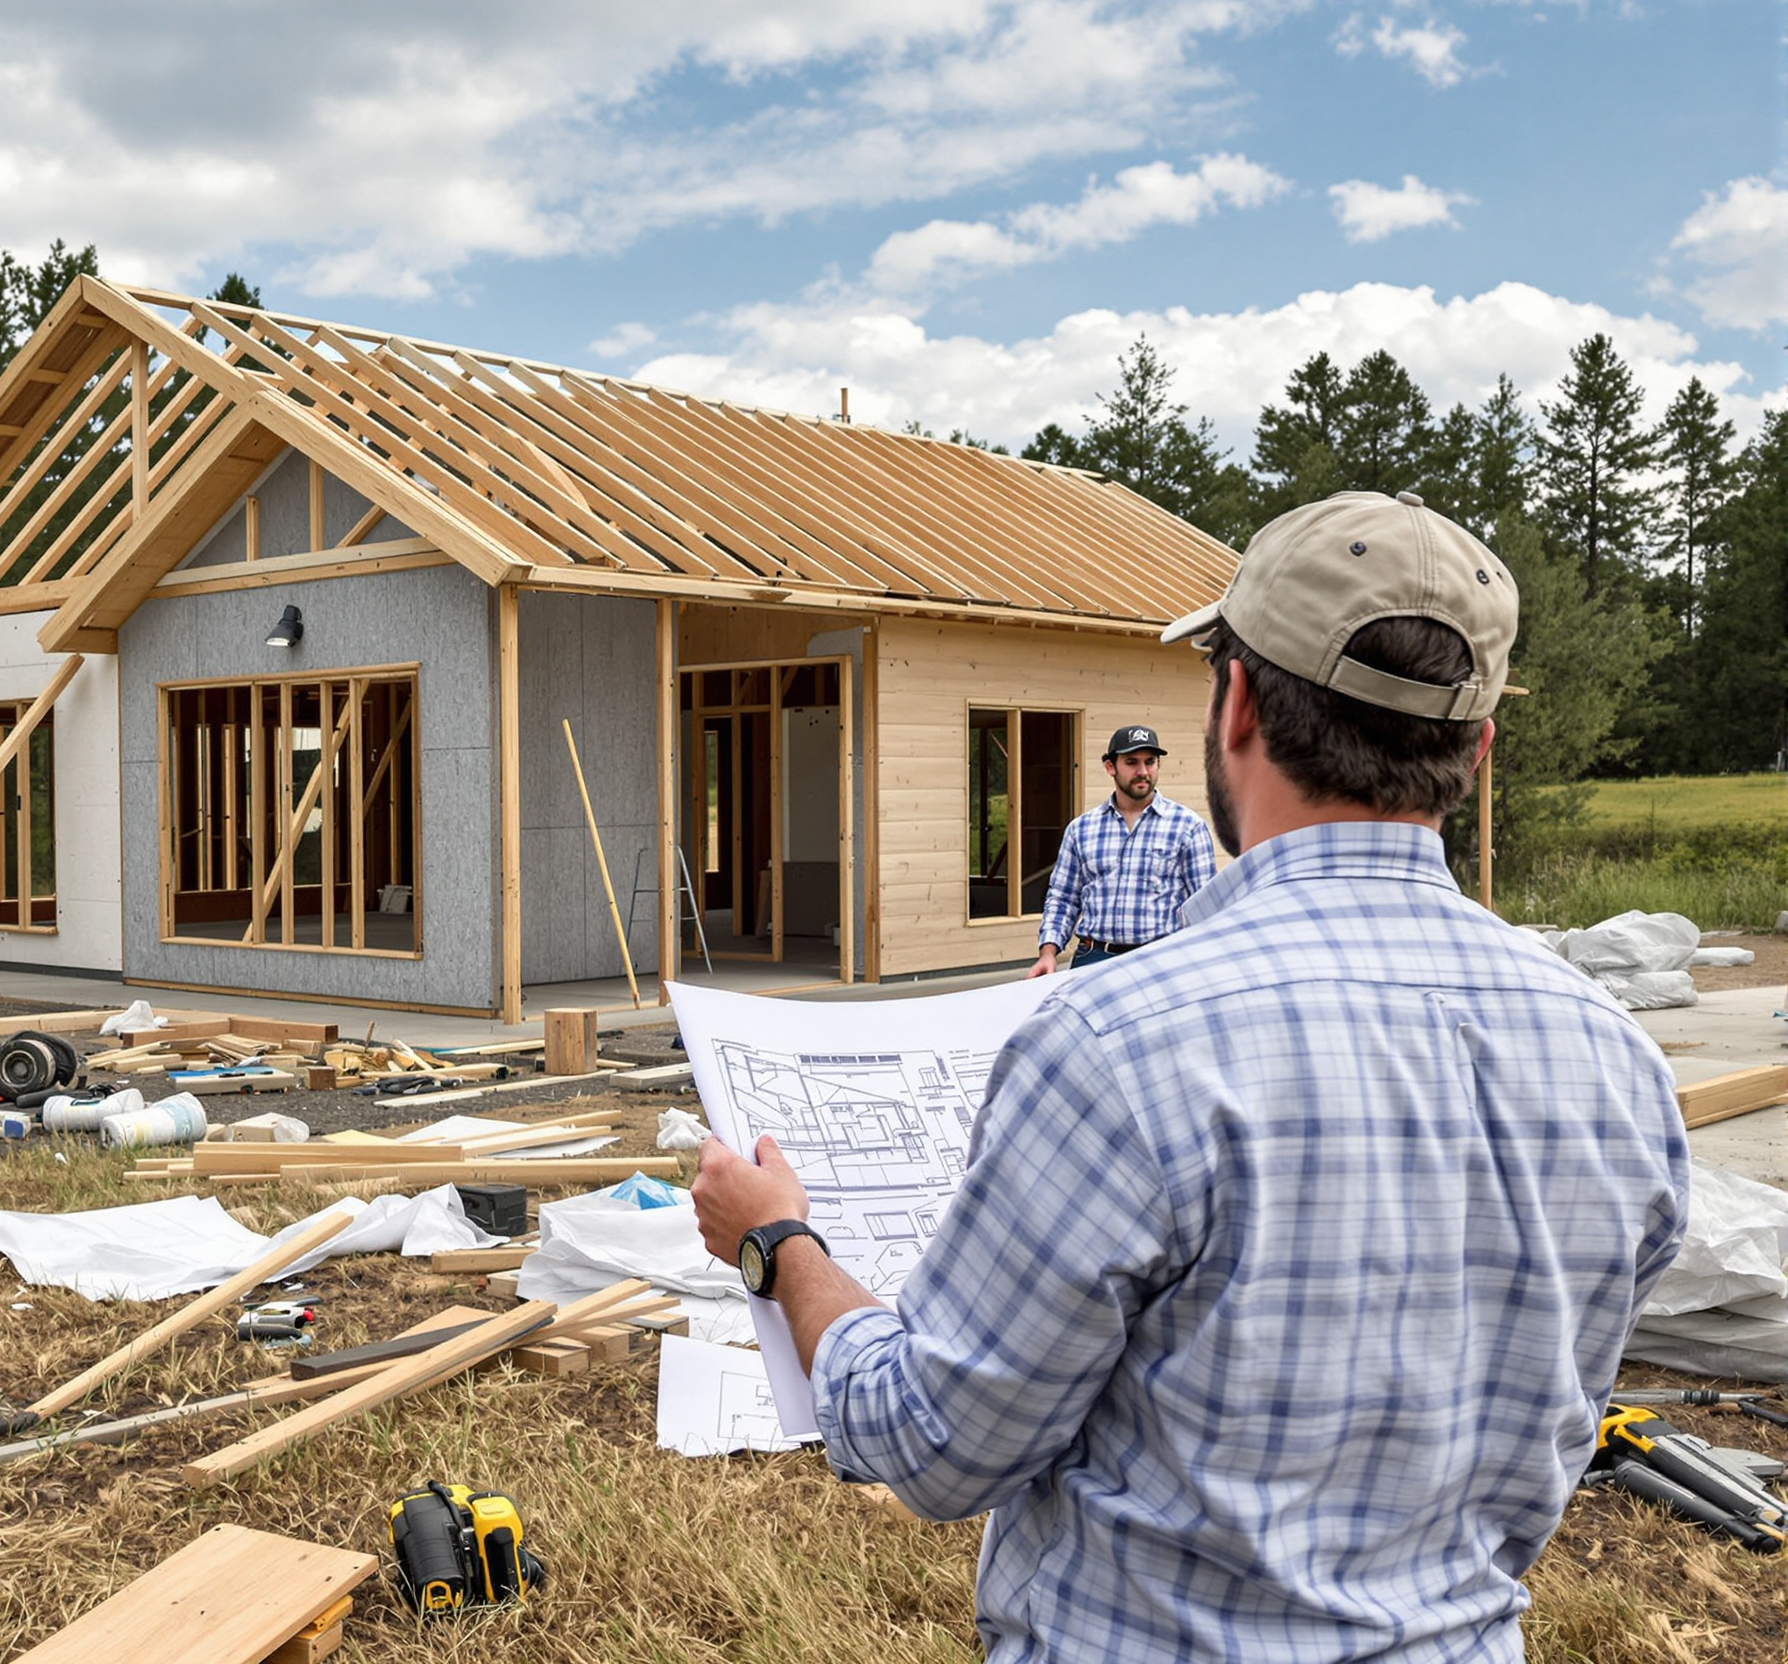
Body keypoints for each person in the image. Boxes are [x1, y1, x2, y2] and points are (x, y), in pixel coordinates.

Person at [694, 490, 1688, 1662]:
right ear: (1477, 746)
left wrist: (780, 1246)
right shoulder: (1619, 1063)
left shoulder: (1116, 1052)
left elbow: (932, 1443)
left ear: (1239, 705)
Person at [1027, 723, 1217, 975]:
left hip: (1160, 960)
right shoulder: (1081, 830)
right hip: (1093, 958)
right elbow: (1063, 898)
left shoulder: (1188, 827)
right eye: (1131, 762)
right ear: (1110, 767)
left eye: (1150, 762)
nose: (1142, 771)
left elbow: (1207, 906)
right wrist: (1048, 953)